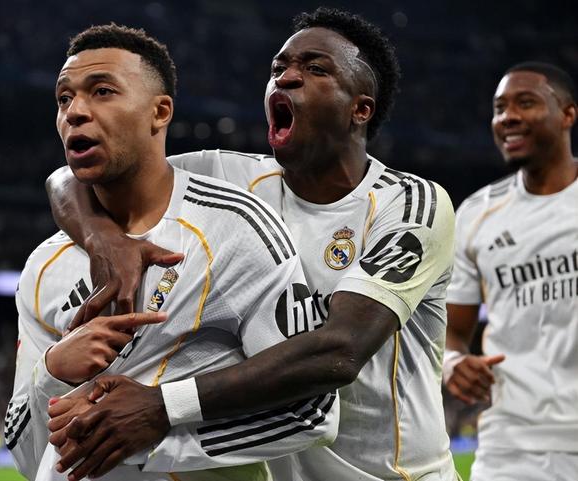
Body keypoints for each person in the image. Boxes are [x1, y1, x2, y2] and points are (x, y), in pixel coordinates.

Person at [45, 8, 458, 481]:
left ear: (359, 109)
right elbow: (74, 175)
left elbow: (339, 350)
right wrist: (102, 237)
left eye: (315, 68)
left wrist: (162, 406)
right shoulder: (231, 178)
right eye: (278, 67)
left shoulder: (410, 204)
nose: (286, 78)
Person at [4, 23, 338, 481]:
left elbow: (312, 411)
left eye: (102, 92)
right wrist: (53, 370)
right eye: (64, 98)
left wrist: (154, 433)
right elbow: (26, 456)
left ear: (159, 112)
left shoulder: (235, 229)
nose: (75, 112)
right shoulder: (45, 264)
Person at [444, 62, 578, 480]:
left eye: (526, 103)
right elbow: (452, 330)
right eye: (500, 108)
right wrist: (452, 362)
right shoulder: (476, 214)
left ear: (568, 115)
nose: (508, 117)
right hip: (510, 448)